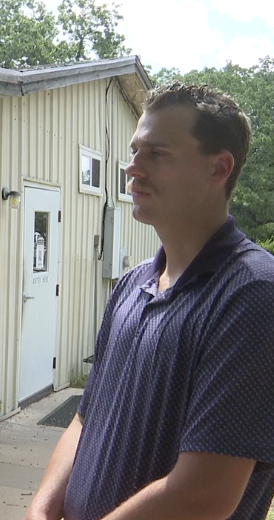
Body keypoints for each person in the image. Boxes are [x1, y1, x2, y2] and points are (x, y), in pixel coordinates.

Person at [26, 83, 274, 520]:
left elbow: (204, 494)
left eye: (157, 154)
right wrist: (41, 509)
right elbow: (86, 419)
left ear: (218, 168)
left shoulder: (251, 293)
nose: (132, 168)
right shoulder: (131, 285)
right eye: (134, 151)